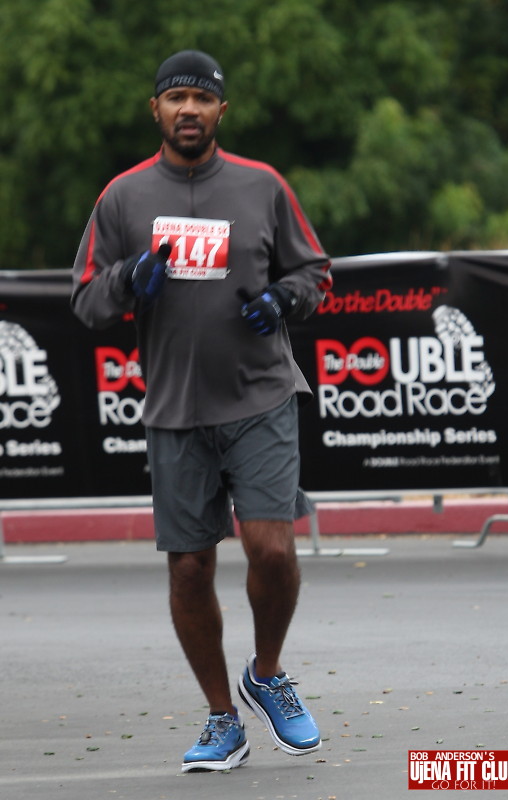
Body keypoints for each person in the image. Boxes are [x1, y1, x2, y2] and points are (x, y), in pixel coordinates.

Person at [71, 49, 332, 773]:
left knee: (272, 549)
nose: (189, 109)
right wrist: (129, 279)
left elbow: (314, 273)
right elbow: (86, 300)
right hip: (174, 409)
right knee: (189, 568)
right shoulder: (122, 197)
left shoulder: (262, 186)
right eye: (175, 98)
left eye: (202, 98)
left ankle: (267, 674)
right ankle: (223, 719)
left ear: (222, 111)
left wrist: (284, 299)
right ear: (155, 110)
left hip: (261, 395)